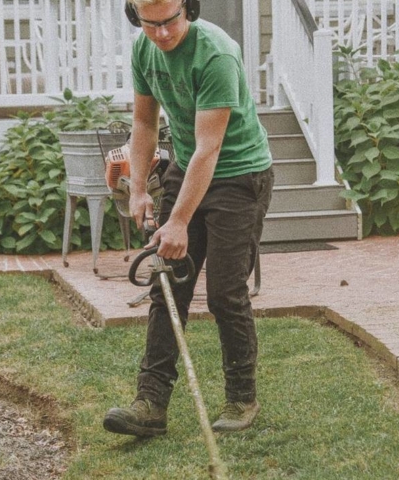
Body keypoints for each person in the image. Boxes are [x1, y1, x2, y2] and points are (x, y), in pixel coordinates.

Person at [103, 0, 273, 436]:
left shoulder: (216, 53)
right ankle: (150, 404)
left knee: (225, 290)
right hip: (186, 167)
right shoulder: (145, 49)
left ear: (190, 9)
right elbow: (143, 122)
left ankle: (241, 398)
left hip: (239, 174)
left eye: (170, 21)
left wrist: (177, 221)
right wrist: (138, 187)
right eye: (149, 23)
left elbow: (208, 148)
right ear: (135, 16)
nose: (160, 33)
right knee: (168, 283)